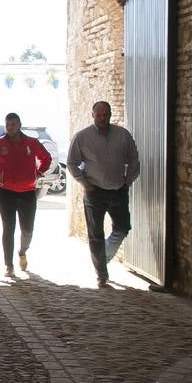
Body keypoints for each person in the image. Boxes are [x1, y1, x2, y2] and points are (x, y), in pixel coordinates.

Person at [66, 101, 140, 288]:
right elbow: (72, 162)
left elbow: (133, 160)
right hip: (94, 192)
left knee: (123, 227)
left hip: (118, 190)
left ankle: (102, 257)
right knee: (96, 234)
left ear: (110, 114)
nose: (102, 118)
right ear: (93, 115)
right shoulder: (82, 137)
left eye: (105, 115)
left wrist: (128, 181)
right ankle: (101, 273)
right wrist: (84, 183)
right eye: (99, 115)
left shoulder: (123, 135)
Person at [0, 112, 52, 278]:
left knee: (27, 230)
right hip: (6, 193)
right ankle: (8, 265)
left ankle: (22, 251)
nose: (10, 127)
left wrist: (39, 173)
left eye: (13, 124)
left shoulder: (32, 143)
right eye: (7, 125)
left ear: (19, 125)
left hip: (27, 193)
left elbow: (46, 158)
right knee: (8, 228)